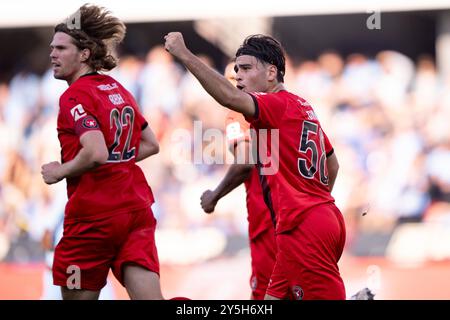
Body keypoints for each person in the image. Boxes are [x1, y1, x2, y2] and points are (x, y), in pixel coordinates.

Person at [165, 33, 346, 300]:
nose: (238, 76)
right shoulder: (301, 105)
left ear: (272, 72)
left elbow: (230, 104)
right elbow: (333, 164)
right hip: (309, 222)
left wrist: (184, 54)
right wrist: (314, 203)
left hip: (299, 226)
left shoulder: (270, 106)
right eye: (236, 70)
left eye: (246, 69)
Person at [41, 4, 163, 300]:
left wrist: (61, 171)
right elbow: (151, 143)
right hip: (135, 211)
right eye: (52, 48)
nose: (52, 54)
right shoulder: (117, 88)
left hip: (94, 218)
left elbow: (94, 152)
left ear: (84, 54)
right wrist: (116, 164)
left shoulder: (74, 96)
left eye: (61, 48)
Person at [200, 62, 279, 300]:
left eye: (237, 79)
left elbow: (245, 161)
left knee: (265, 295)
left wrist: (214, 195)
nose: (234, 85)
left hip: (267, 218)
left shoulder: (240, 113)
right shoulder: (289, 105)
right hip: (298, 216)